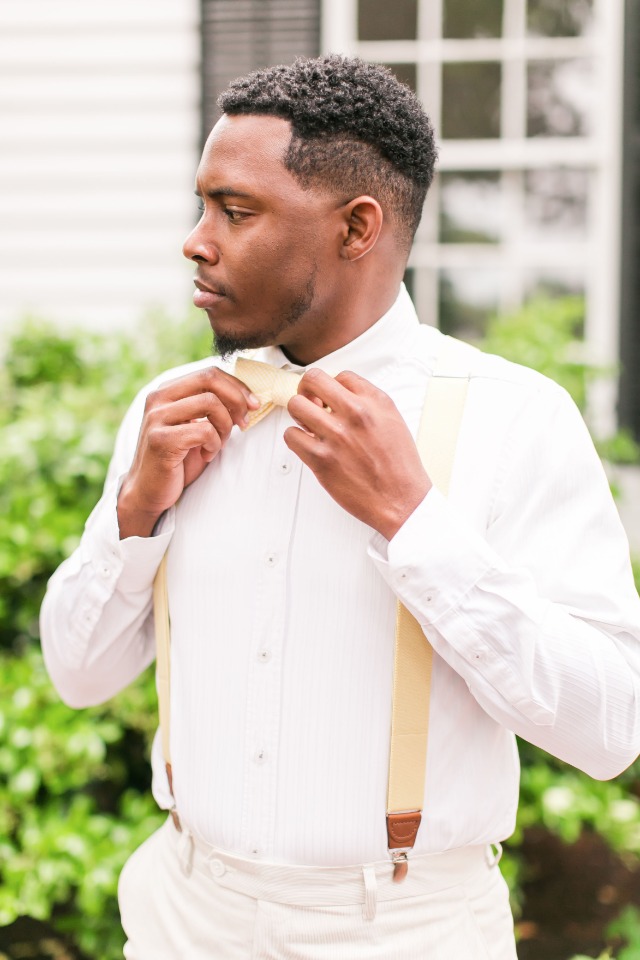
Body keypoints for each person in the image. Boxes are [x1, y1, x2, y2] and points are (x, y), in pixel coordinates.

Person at [40, 54, 640, 959]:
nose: (196, 240)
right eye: (201, 205)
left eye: (235, 212)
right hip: (182, 917)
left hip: (404, 931)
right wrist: (136, 512)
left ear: (358, 227)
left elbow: (611, 727)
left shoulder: (514, 419)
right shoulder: (172, 408)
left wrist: (415, 521)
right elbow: (78, 675)